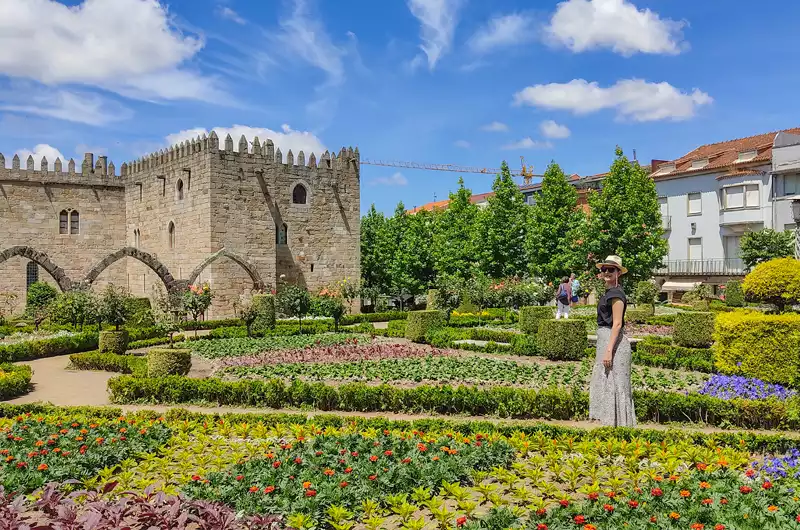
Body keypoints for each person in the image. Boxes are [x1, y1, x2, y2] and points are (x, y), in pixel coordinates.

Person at [589, 255, 636, 427]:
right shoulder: (610, 292)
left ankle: (618, 427)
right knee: (609, 382)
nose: (607, 272)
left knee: (616, 384)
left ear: (619, 273)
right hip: (607, 341)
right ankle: (611, 426)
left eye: (611, 269)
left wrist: (609, 349)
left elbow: (617, 324)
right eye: (604, 269)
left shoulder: (616, 293)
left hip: (613, 343)